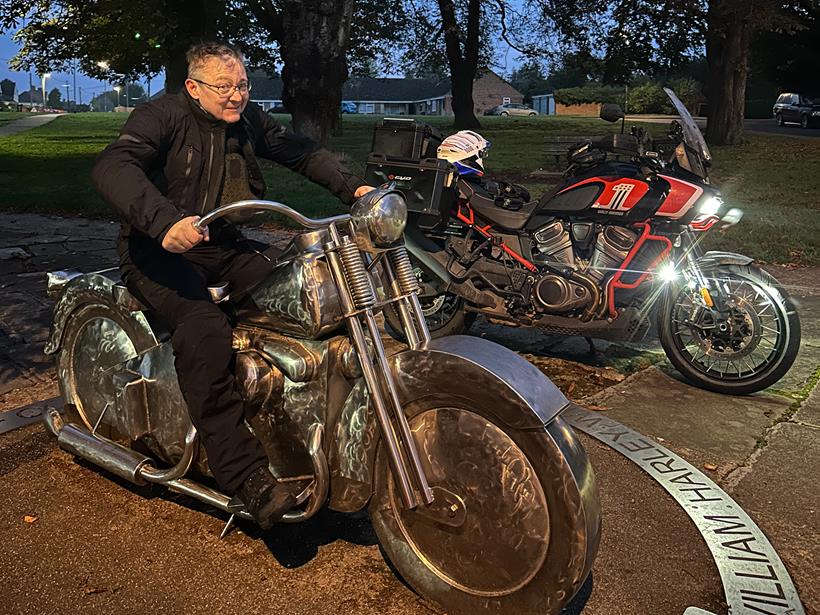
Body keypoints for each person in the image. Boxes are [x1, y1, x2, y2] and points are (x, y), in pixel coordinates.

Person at [92, 42, 372, 529]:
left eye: (242, 84)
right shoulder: (160, 116)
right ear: (193, 87)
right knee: (203, 328)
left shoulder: (247, 121)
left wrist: (358, 190)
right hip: (156, 250)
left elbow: (301, 154)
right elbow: (113, 167)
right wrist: (164, 223)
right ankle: (244, 474)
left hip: (222, 243)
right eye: (224, 86)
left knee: (305, 289)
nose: (237, 95)